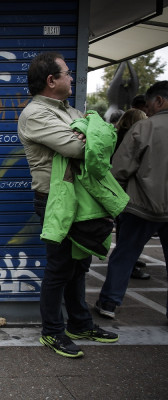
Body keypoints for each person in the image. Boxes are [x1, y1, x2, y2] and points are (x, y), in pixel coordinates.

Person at [17, 52, 118, 358]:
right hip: (55, 200)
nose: (72, 78)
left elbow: (105, 136)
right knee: (60, 268)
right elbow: (79, 146)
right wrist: (90, 131)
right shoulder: (36, 114)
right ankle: (52, 332)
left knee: (79, 265)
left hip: (80, 198)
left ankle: (80, 323)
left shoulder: (68, 110)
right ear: (51, 80)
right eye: (67, 73)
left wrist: (93, 131)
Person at [95, 81, 168, 319]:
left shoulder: (144, 128)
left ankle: (109, 303)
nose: (147, 111)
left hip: (140, 207)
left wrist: (116, 204)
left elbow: (119, 171)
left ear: (159, 101)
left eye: (148, 105)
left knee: (125, 256)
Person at [112, 109, 151, 280]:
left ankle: (130, 263)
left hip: (121, 192)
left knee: (125, 234)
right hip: (133, 194)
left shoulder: (117, 135)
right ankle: (132, 266)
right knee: (129, 239)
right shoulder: (134, 137)